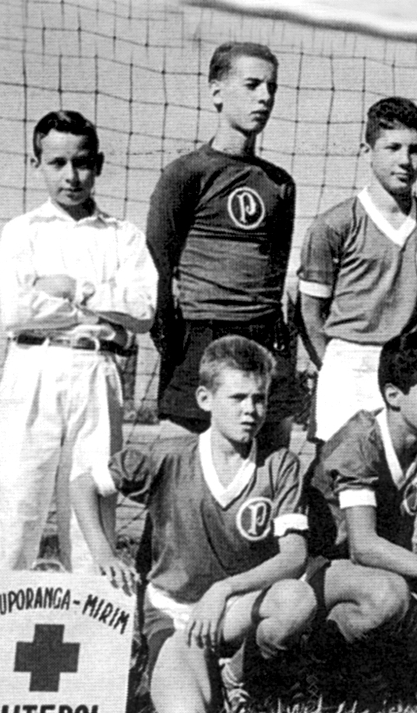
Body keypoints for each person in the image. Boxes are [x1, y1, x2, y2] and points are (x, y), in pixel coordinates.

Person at [71, 336, 316, 713]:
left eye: (259, 398)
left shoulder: (279, 464)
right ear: (205, 399)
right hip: (176, 610)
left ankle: (238, 674)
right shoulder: (168, 455)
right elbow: (83, 485)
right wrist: (103, 553)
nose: (250, 410)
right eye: (237, 398)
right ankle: (195, 665)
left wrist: (224, 589)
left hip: (232, 609)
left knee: (295, 599)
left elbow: (294, 555)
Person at [0, 110, 156, 572]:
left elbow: (142, 311)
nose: (71, 175)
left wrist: (75, 289)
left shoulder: (123, 236)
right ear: (36, 163)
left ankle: (91, 638)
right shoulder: (22, 231)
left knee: (93, 510)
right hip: (32, 371)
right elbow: (20, 312)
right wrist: (104, 311)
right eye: (57, 163)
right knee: (16, 506)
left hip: (97, 373)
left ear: (98, 164)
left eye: (82, 162)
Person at [147, 41, 302, 451]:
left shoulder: (280, 183)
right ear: (216, 91)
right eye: (252, 85)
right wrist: (177, 343)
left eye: (272, 87)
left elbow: (276, 264)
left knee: (268, 464)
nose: (265, 97)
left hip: (263, 338)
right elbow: (158, 267)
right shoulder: (185, 174)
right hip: (201, 336)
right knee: (177, 469)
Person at [297, 97, 417, 442]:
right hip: (350, 363)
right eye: (392, 147)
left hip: (408, 365)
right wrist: (333, 366)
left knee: (404, 474)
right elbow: (309, 311)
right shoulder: (334, 224)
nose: (405, 160)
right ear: (367, 150)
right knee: (341, 475)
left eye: (415, 150)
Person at [304, 332, 417, 654]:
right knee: (390, 597)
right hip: (322, 567)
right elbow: (362, 547)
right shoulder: (358, 442)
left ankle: (385, 663)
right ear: (393, 395)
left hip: (382, 563)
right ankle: (318, 659)